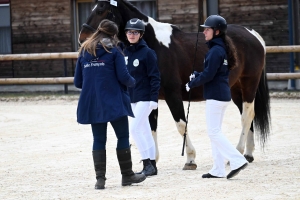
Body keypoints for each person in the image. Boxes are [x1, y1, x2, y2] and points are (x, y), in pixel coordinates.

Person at [74, 19, 146, 189]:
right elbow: (124, 77)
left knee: (98, 139)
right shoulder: (114, 50)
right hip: (114, 101)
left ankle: (100, 180)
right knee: (122, 137)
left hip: (93, 102)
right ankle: (127, 175)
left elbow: (78, 82)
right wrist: (134, 82)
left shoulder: (84, 51)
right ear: (114, 34)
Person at [186, 15, 248, 179]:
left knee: (213, 132)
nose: (204, 32)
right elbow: (214, 73)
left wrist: (193, 83)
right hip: (220, 93)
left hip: (216, 95)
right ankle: (218, 169)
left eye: (207, 29)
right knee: (215, 131)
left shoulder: (215, 51)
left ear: (217, 31)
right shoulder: (219, 49)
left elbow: (209, 75)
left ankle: (237, 160)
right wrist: (198, 74)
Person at [123, 18, 161, 176]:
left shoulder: (148, 53)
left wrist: (154, 98)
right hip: (131, 97)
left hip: (145, 98)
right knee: (144, 130)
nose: (131, 35)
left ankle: (146, 162)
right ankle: (152, 165)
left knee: (134, 129)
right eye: (129, 32)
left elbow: (155, 77)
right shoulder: (125, 52)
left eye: (135, 32)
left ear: (141, 34)